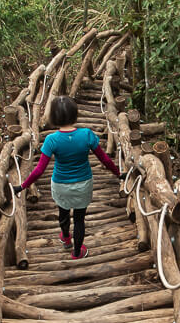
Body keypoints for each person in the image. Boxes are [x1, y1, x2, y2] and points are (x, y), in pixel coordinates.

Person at [14, 95, 120, 259]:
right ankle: (77, 252)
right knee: (79, 219)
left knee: (63, 213)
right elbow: (105, 160)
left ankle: (65, 237)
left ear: (54, 117)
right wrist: (119, 174)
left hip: (61, 185)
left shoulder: (51, 140)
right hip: (83, 184)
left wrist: (22, 186)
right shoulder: (87, 135)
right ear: (75, 114)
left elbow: (39, 170)